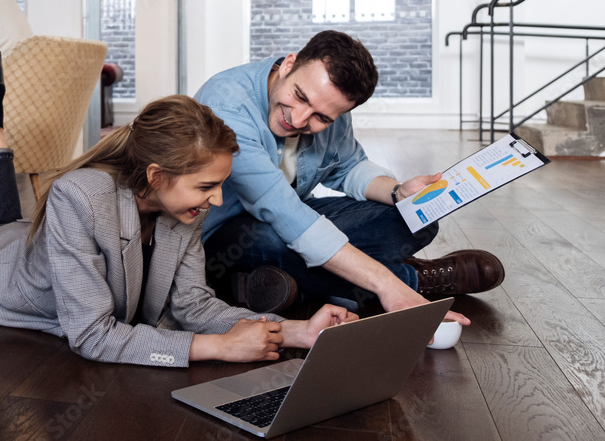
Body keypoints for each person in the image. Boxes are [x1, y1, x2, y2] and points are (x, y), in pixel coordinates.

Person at [0, 53, 357, 367]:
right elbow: (92, 335)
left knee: (3, 220)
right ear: (157, 176)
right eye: (207, 187)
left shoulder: (183, 212)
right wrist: (215, 348)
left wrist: (297, 331)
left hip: (31, 239)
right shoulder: (79, 198)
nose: (219, 200)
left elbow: (193, 305)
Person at [194, 30, 505, 321]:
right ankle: (414, 279)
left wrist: (398, 192)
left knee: (415, 217)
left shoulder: (332, 106)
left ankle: (279, 285)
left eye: (320, 117)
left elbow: (349, 166)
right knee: (275, 238)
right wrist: (389, 285)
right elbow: (283, 213)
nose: (299, 119)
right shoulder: (227, 106)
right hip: (225, 237)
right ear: (289, 65)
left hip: (296, 214)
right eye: (300, 97)